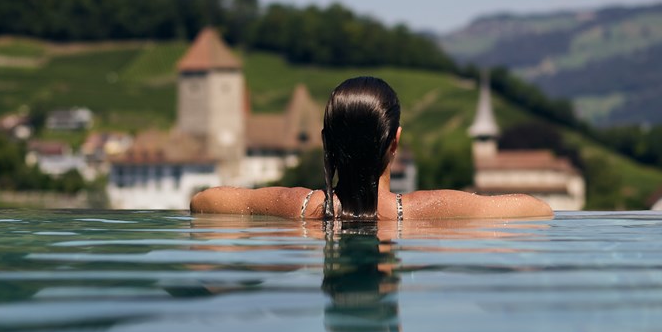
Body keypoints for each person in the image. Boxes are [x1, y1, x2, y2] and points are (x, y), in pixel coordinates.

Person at [189, 76, 554, 220]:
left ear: (325, 141)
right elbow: (539, 211)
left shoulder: (300, 207)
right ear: (395, 141)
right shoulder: (424, 210)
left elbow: (203, 201)